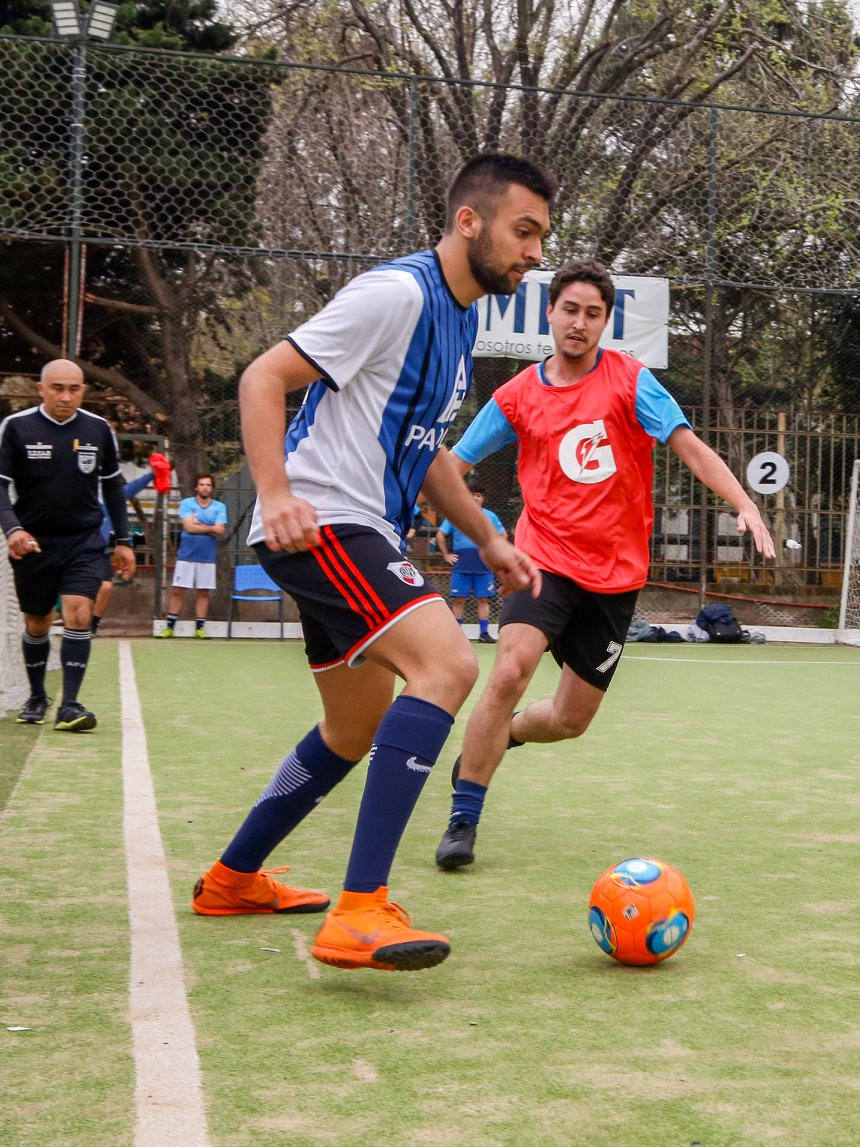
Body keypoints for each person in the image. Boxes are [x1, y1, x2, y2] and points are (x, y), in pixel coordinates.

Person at [188, 154, 554, 973]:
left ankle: (232, 878)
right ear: (470, 222)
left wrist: (488, 535)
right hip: (327, 522)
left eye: (541, 237)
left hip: (357, 527)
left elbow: (419, 451)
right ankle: (359, 910)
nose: (535, 254)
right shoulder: (398, 294)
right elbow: (263, 376)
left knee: (353, 726)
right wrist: (276, 492)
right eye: (523, 231)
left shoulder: (461, 322)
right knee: (449, 665)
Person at [431, 258, 773, 870]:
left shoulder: (632, 382)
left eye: (594, 314)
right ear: (550, 313)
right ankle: (464, 815)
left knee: (568, 719)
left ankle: (502, 734)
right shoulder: (516, 397)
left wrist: (743, 503)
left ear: (606, 322)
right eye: (570, 310)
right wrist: (443, 520)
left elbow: (690, 447)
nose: (580, 323)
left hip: (614, 578)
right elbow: (452, 467)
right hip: (543, 562)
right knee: (510, 669)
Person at [0, 360, 137, 730]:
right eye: (57, 388)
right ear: (41, 389)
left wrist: (123, 541)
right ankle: (37, 696)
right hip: (33, 544)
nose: (66, 396)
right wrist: (13, 530)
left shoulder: (97, 429)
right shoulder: (16, 427)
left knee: (78, 612)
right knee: (38, 621)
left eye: (74, 389)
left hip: (84, 541)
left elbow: (112, 486)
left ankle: (71, 704)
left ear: (83, 391)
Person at [159, 472, 228, 639]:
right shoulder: (186, 504)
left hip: (207, 556)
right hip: (186, 555)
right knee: (177, 591)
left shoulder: (220, 507)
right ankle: (169, 627)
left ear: (211, 488)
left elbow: (220, 530)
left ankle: (200, 628)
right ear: (196, 487)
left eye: (208, 485)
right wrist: (210, 528)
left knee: (203, 593)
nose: (205, 487)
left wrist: (200, 525)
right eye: (202, 484)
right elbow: (189, 528)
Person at [93, 465, 157, 635]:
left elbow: (133, 487)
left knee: (105, 587)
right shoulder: (78, 497)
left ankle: (93, 625)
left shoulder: (110, 498)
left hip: (100, 553)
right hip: (77, 551)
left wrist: (153, 474)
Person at [435, 488, 505, 643]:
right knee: (459, 599)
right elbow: (440, 534)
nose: (474, 498)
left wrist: (496, 553)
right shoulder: (455, 514)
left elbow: (503, 534)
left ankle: (484, 633)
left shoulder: (491, 516)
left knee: (483, 599)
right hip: (462, 564)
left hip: (484, 565)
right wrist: (446, 554)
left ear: (483, 498)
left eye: (478, 495)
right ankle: (456, 634)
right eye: (471, 495)